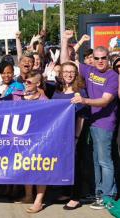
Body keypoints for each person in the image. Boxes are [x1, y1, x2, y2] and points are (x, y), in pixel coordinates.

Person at [61, 30, 119, 210]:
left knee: (104, 161)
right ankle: (98, 192)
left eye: (103, 58)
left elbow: (105, 101)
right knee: (93, 161)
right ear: (92, 58)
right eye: (97, 57)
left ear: (108, 58)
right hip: (90, 123)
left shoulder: (113, 76)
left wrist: (84, 100)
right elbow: (66, 63)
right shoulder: (89, 69)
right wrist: (65, 41)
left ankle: (107, 195)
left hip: (104, 123)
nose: (100, 61)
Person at [52, 62, 88, 210]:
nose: (69, 74)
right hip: (59, 136)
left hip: (73, 135)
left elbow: (82, 117)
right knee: (63, 165)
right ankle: (66, 192)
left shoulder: (80, 92)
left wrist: (76, 138)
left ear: (76, 74)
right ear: (61, 74)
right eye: (66, 71)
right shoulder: (57, 91)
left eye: (72, 72)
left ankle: (75, 197)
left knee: (75, 166)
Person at [13, 71, 47, 213]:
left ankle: (39, 201)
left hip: (39, 139)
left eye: (29, 82)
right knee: (25, 166)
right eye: (25, 81)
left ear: (38, 83)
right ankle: (28, 196)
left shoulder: (44, 100)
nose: (25, 84)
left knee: (39, 169)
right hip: (22, 139)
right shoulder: (18, 96)